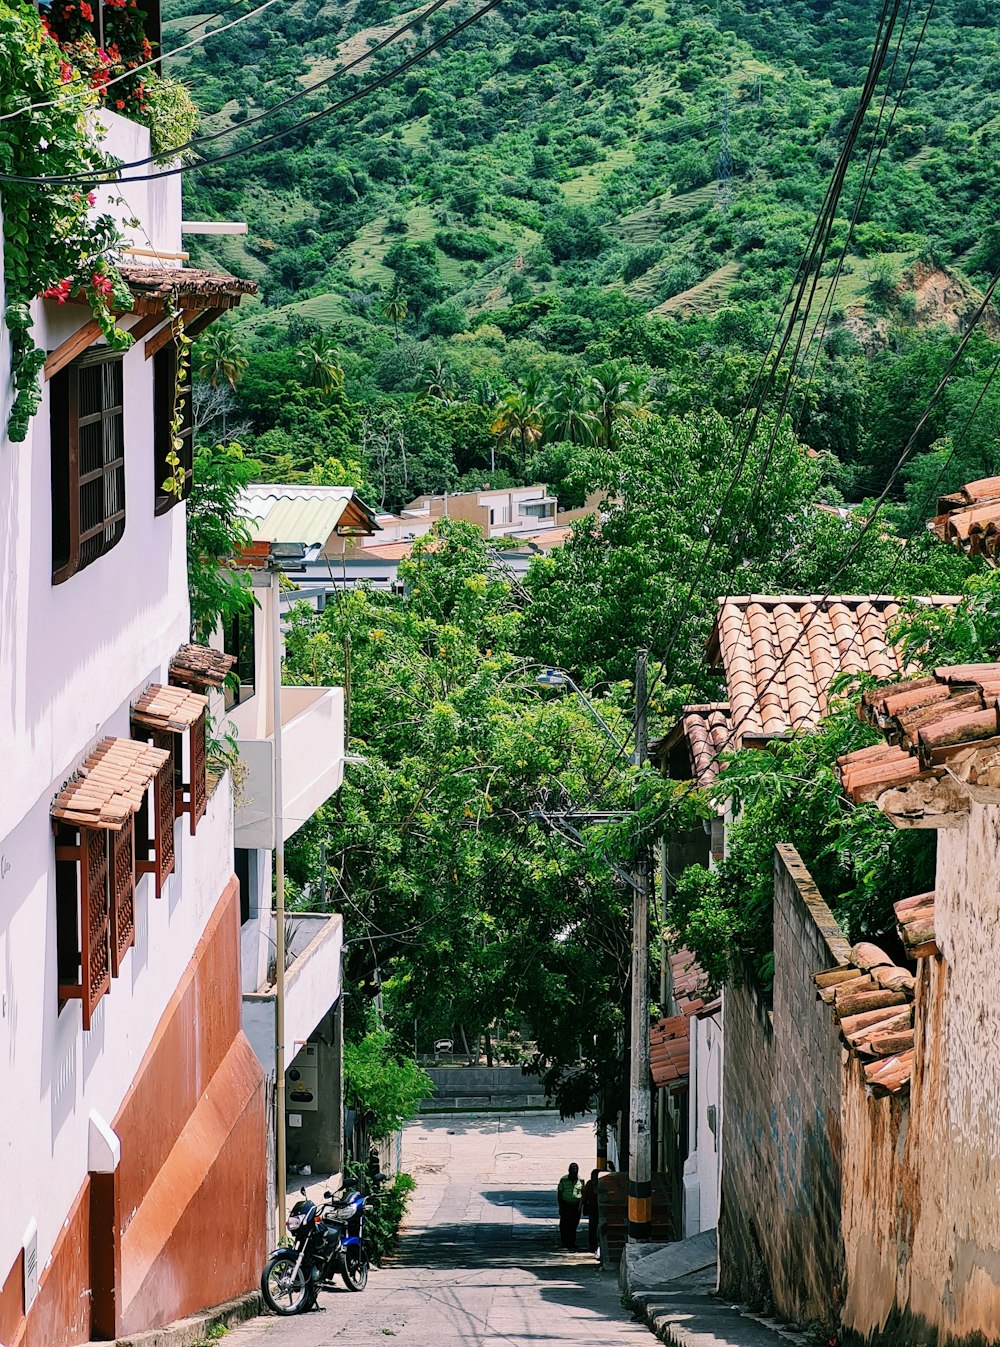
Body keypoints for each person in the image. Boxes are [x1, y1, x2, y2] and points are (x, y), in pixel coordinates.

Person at [556, 1162, 583, 1250]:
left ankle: (572, 1242)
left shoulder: (581, 1180)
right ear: (569, 1171)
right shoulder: (563, 1180)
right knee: (564, 1225)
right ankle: (565, 1242)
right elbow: (559, 1193)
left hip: (576, 1206)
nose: (573, 1174)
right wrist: (561, 1207)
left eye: (575, 1173)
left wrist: (580, 1207)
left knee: (574, 1225)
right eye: (572, 1172)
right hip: (566, 1205)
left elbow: (582, 1194)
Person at [582, 1169, 600, 1256]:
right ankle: (592, 1245)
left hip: (600, 1209)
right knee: (592, 1227)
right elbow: (585, 1197)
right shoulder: (589, 1184)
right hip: (593, 1209)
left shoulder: (601, 1184)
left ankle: (597, 1245)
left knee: (598, 1228)